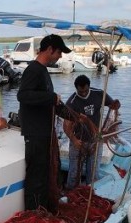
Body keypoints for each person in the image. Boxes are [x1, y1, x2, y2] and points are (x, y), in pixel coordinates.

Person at [16, 34, 85, 212]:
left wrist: (75, 117)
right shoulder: (33, 70)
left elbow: (52, 103)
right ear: (50, 49)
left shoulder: (43, 71)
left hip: (45, 133)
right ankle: (34, 214)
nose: (61, 56)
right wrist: (50, 96)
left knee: (45, 175)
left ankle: (43, 209)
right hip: (35, 134)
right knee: (36, 177)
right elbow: (23, 95)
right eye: (59, 52)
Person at [63, 75, 120, 190]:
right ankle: (70, 192)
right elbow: (66, 126)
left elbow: (113, 106)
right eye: (80, 91)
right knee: (74, 172)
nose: (83, 93)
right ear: (76, 89)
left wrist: (116, 104)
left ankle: (90, 193)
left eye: (85, 91)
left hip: (95, 139)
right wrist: (74, 140)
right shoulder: (71, 102)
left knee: (93, 172)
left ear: (89, 87)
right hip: (79, 140)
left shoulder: (98, 93)